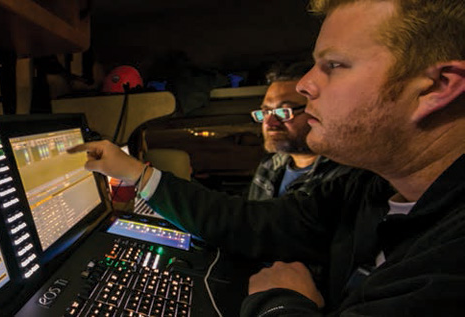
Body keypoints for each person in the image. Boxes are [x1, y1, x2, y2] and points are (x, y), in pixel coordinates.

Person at [68, 0, 465, 315]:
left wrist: (279, 303)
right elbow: (251, 222)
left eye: (335, 66)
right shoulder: (368, 187)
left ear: (436, 87)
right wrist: (134, 172)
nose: (307, 85)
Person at [248, 62, 353, 200]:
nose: (270, 123)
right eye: (266, 112)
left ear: (320, 111)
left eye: (284, 111)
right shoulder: (270, 165)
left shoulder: (346, 175)